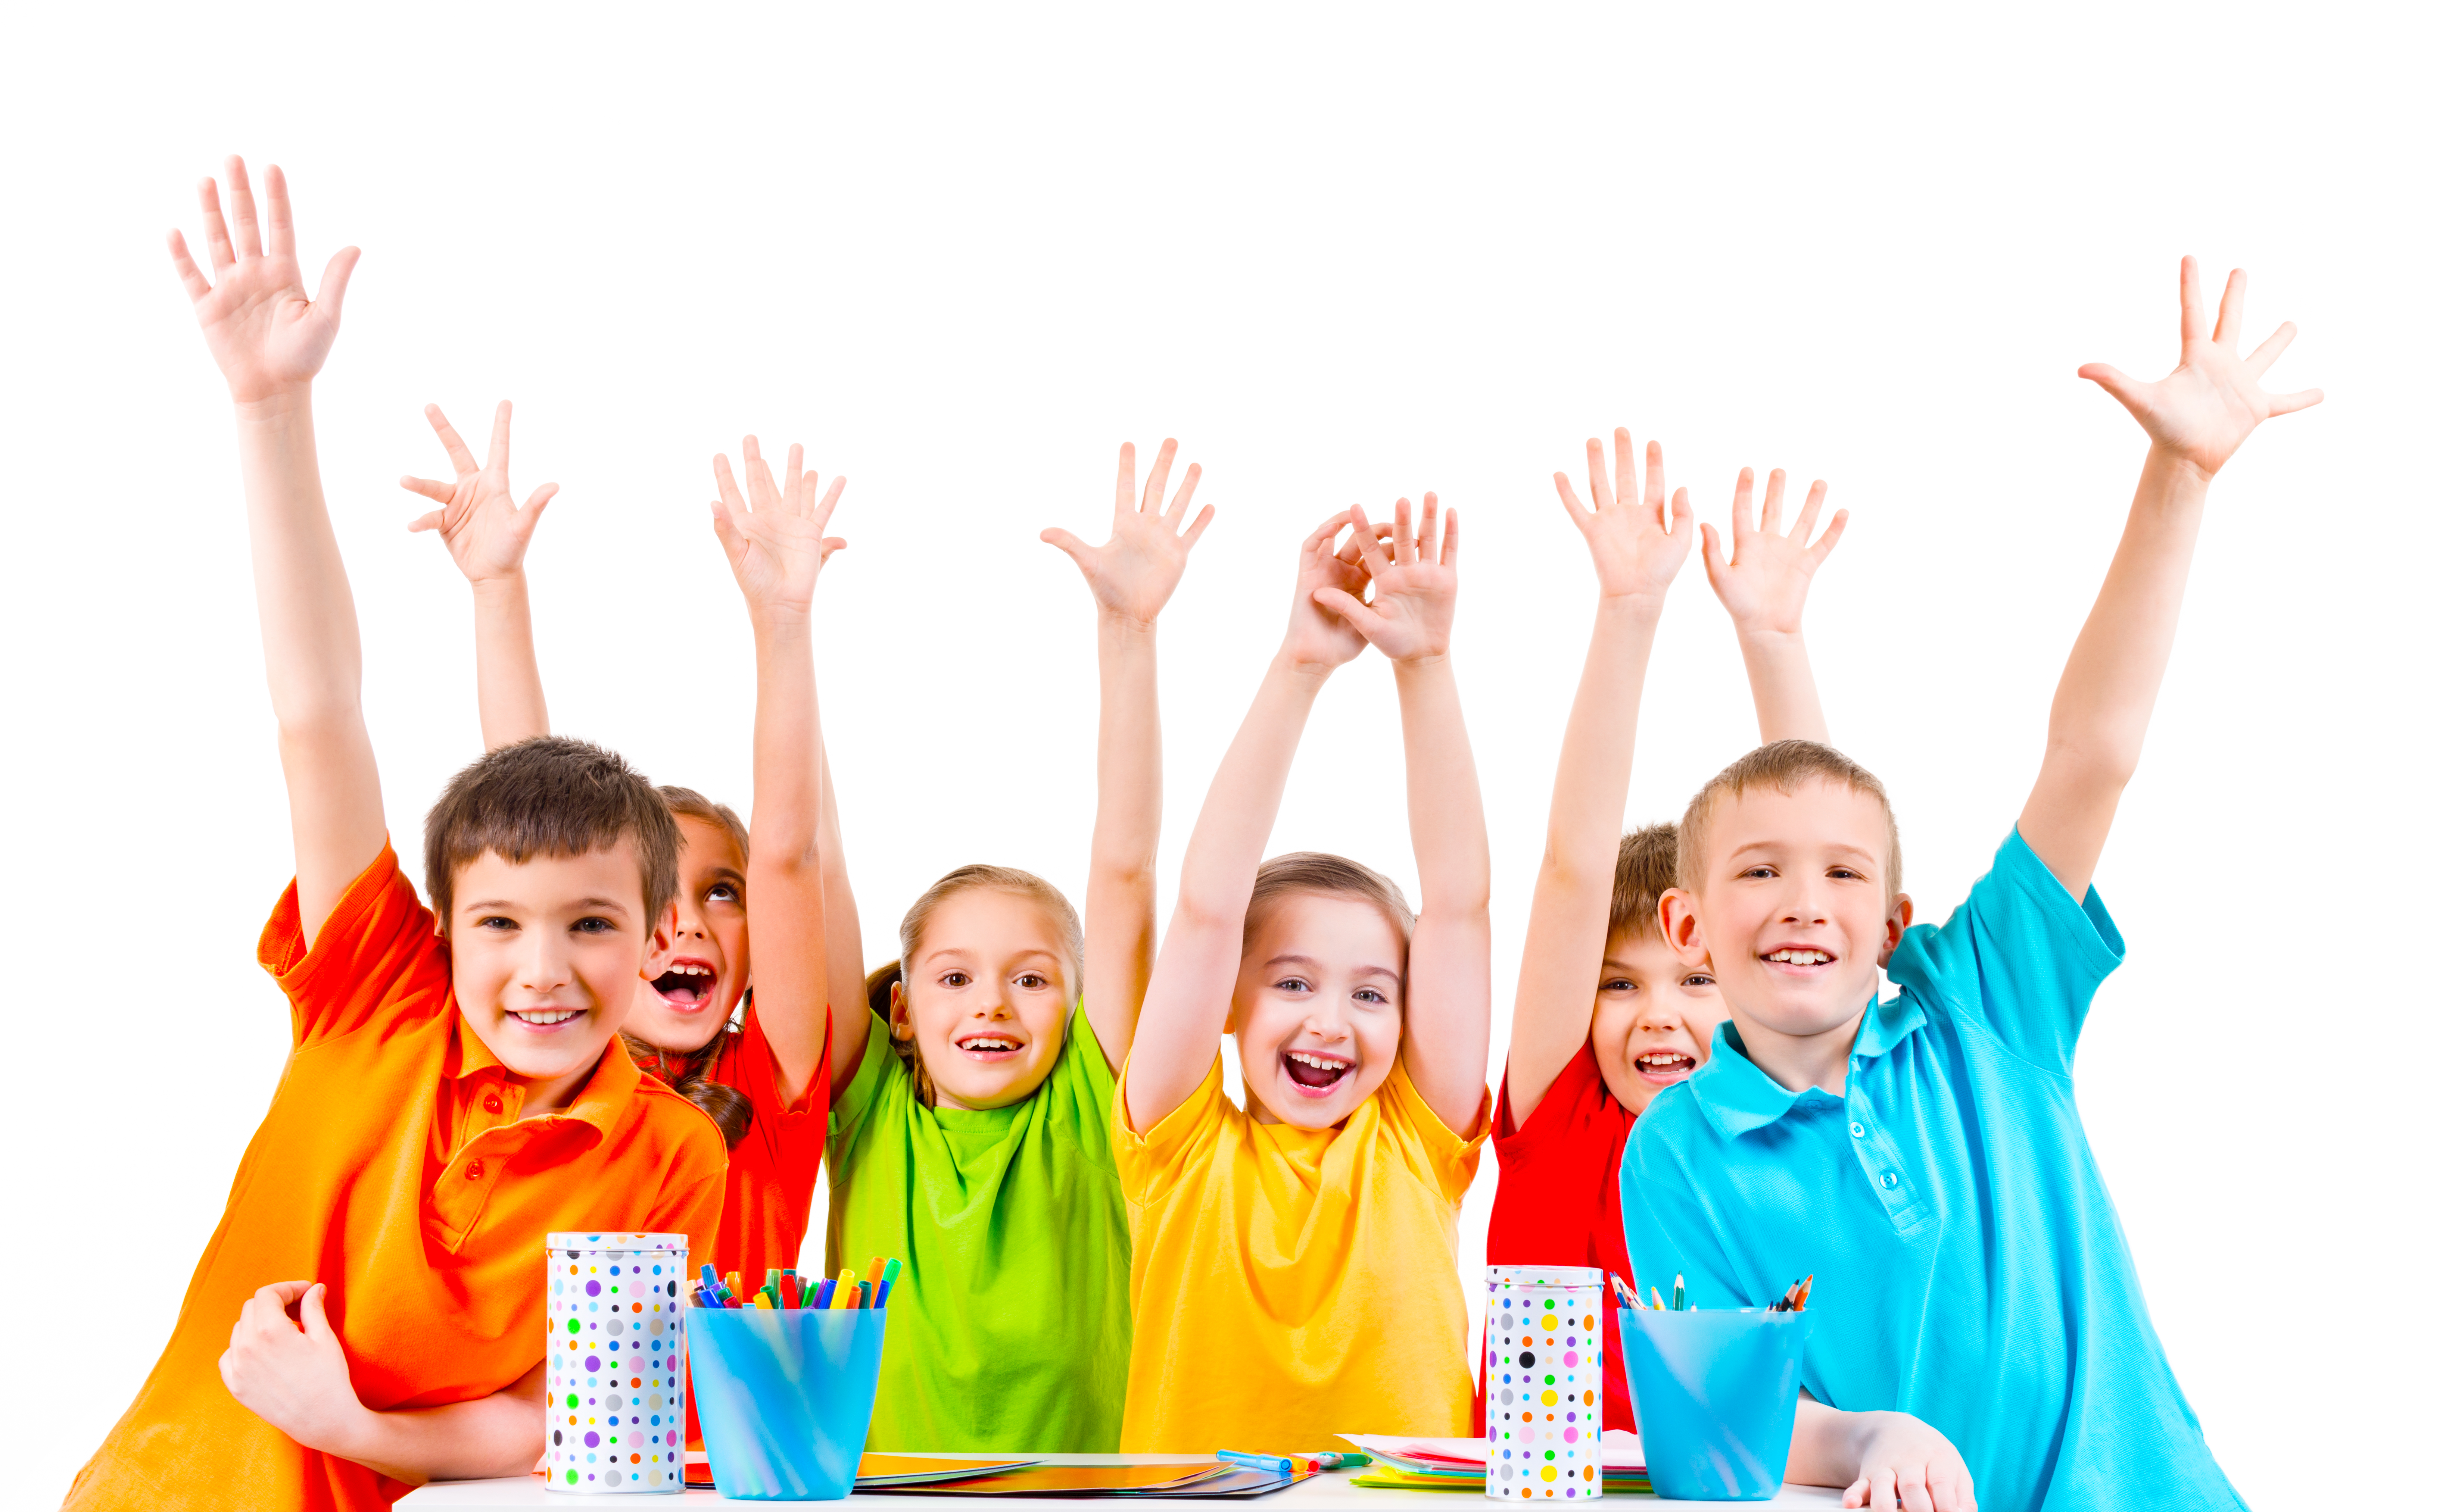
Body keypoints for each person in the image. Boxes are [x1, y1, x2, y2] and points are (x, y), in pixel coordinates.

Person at [66, 158, 726, 1512]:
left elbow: (562, 1430)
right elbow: (319, 712)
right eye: (498, 925)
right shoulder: (378, 997)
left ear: (655, 932)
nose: (541, 969)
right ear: (443, 924)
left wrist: (347, 1423)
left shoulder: (669, 1155)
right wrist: (271, 407)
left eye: (590, 926)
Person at [1623, 258, 2321, 1512]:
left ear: (1891, 923)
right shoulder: (1675, 1152)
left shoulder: (1983, 1006)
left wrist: (2178, 477)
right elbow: (1740, 1419)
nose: (1800, 902)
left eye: (1841, 877)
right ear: (1688, 924)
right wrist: (1867, 1437)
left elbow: (2090, 753)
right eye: (1757, 874)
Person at [823, 441, 1213, 1450]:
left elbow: (1125, 869)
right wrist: (784, 629)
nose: (991, 1004)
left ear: (1080, 1005)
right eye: (954, 977)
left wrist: (1129, 632)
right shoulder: (869, 1107)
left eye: (1031, 978)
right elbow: (811, 866)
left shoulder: (1095, 1097)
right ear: (904, 1009)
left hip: (1086, 1494)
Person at [402, 413, 839, 1291]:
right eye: (651, 900)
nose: (684, 925)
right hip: (563, 1432)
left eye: (723, 892)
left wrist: (783, 621)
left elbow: (790, 853)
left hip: (729, 1436)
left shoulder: (775, 1079)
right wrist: (497, 587)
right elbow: (525, 827)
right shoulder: (559, 1067)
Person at [1118, 497, 1495, 1449]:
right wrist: (1298, 669)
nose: (1332, 1019)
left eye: (1372, 992)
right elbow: (1206, 908)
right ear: (1229, 1001)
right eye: (1291, 982)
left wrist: (1427, 665)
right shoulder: (1177, 1143)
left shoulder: (1418, 1141)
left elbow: (1458, 903)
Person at [1487, 434, 1845, 1432]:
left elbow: (1819, 866)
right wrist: (1627, 613)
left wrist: (1773, 640)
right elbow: (1570, 871)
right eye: (1618, 983)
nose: (1659, 1014)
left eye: (1695, 980)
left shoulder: (1778, 1117)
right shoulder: (1560, 1121)